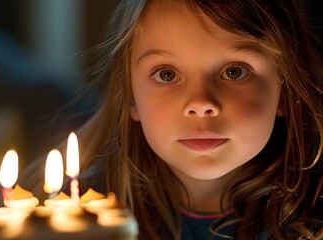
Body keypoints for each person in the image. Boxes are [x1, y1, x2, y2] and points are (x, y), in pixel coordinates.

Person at [24, 0, 323, 239]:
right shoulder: (72, 215)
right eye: (166, 74)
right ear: (130, 97)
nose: (200, 104)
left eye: (235, 71)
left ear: (284, 90)